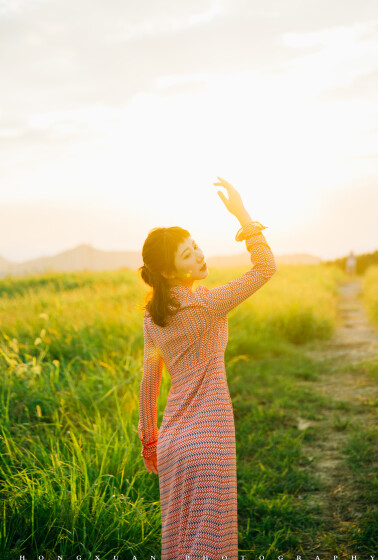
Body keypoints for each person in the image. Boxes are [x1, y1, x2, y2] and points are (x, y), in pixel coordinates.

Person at [137, 176, 277, 560]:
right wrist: (242, 214)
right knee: (211, 545)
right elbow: (265, 268)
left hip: (171, 444)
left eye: (195, 246)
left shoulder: (153, 318)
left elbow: (149, 382)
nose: (199, 255)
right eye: (187, 255)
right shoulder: (208, 303)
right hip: (209, 438)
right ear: (169, 272)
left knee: (179, 543)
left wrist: (150, 440)